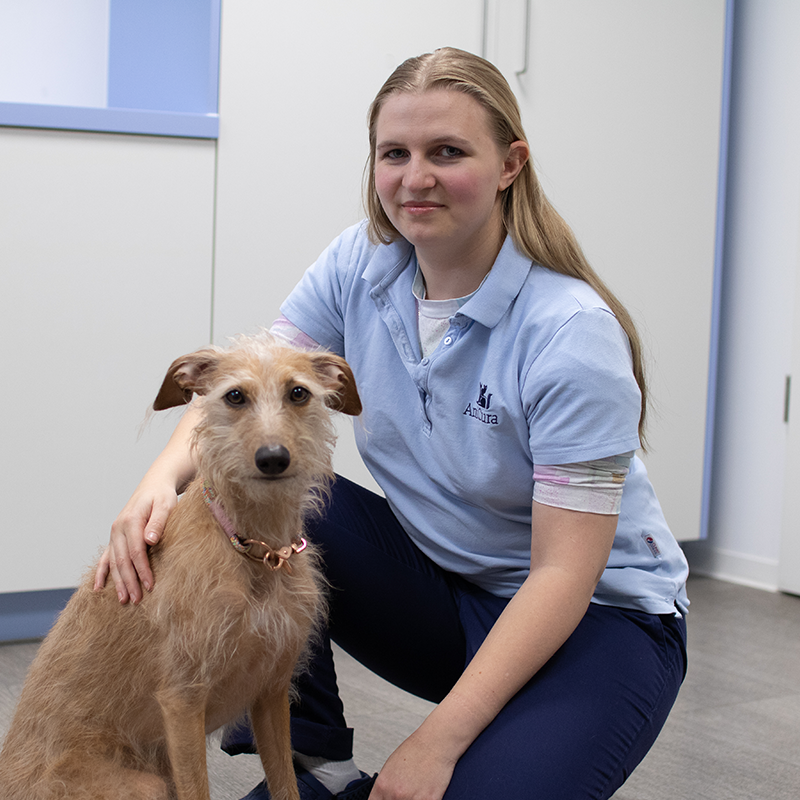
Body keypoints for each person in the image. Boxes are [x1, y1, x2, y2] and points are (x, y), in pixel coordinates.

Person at [97, 47, 689, 800]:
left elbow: (563, 575)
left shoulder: (571, 333)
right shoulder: (360, 262)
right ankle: (316, 761)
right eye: (395, 154)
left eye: (448, 152)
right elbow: (249, 387)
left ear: (510, 164)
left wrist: (433, 743)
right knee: (246, 491)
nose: (416, 178)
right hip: (445, 594)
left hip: (594, 622)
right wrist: (153, 486)